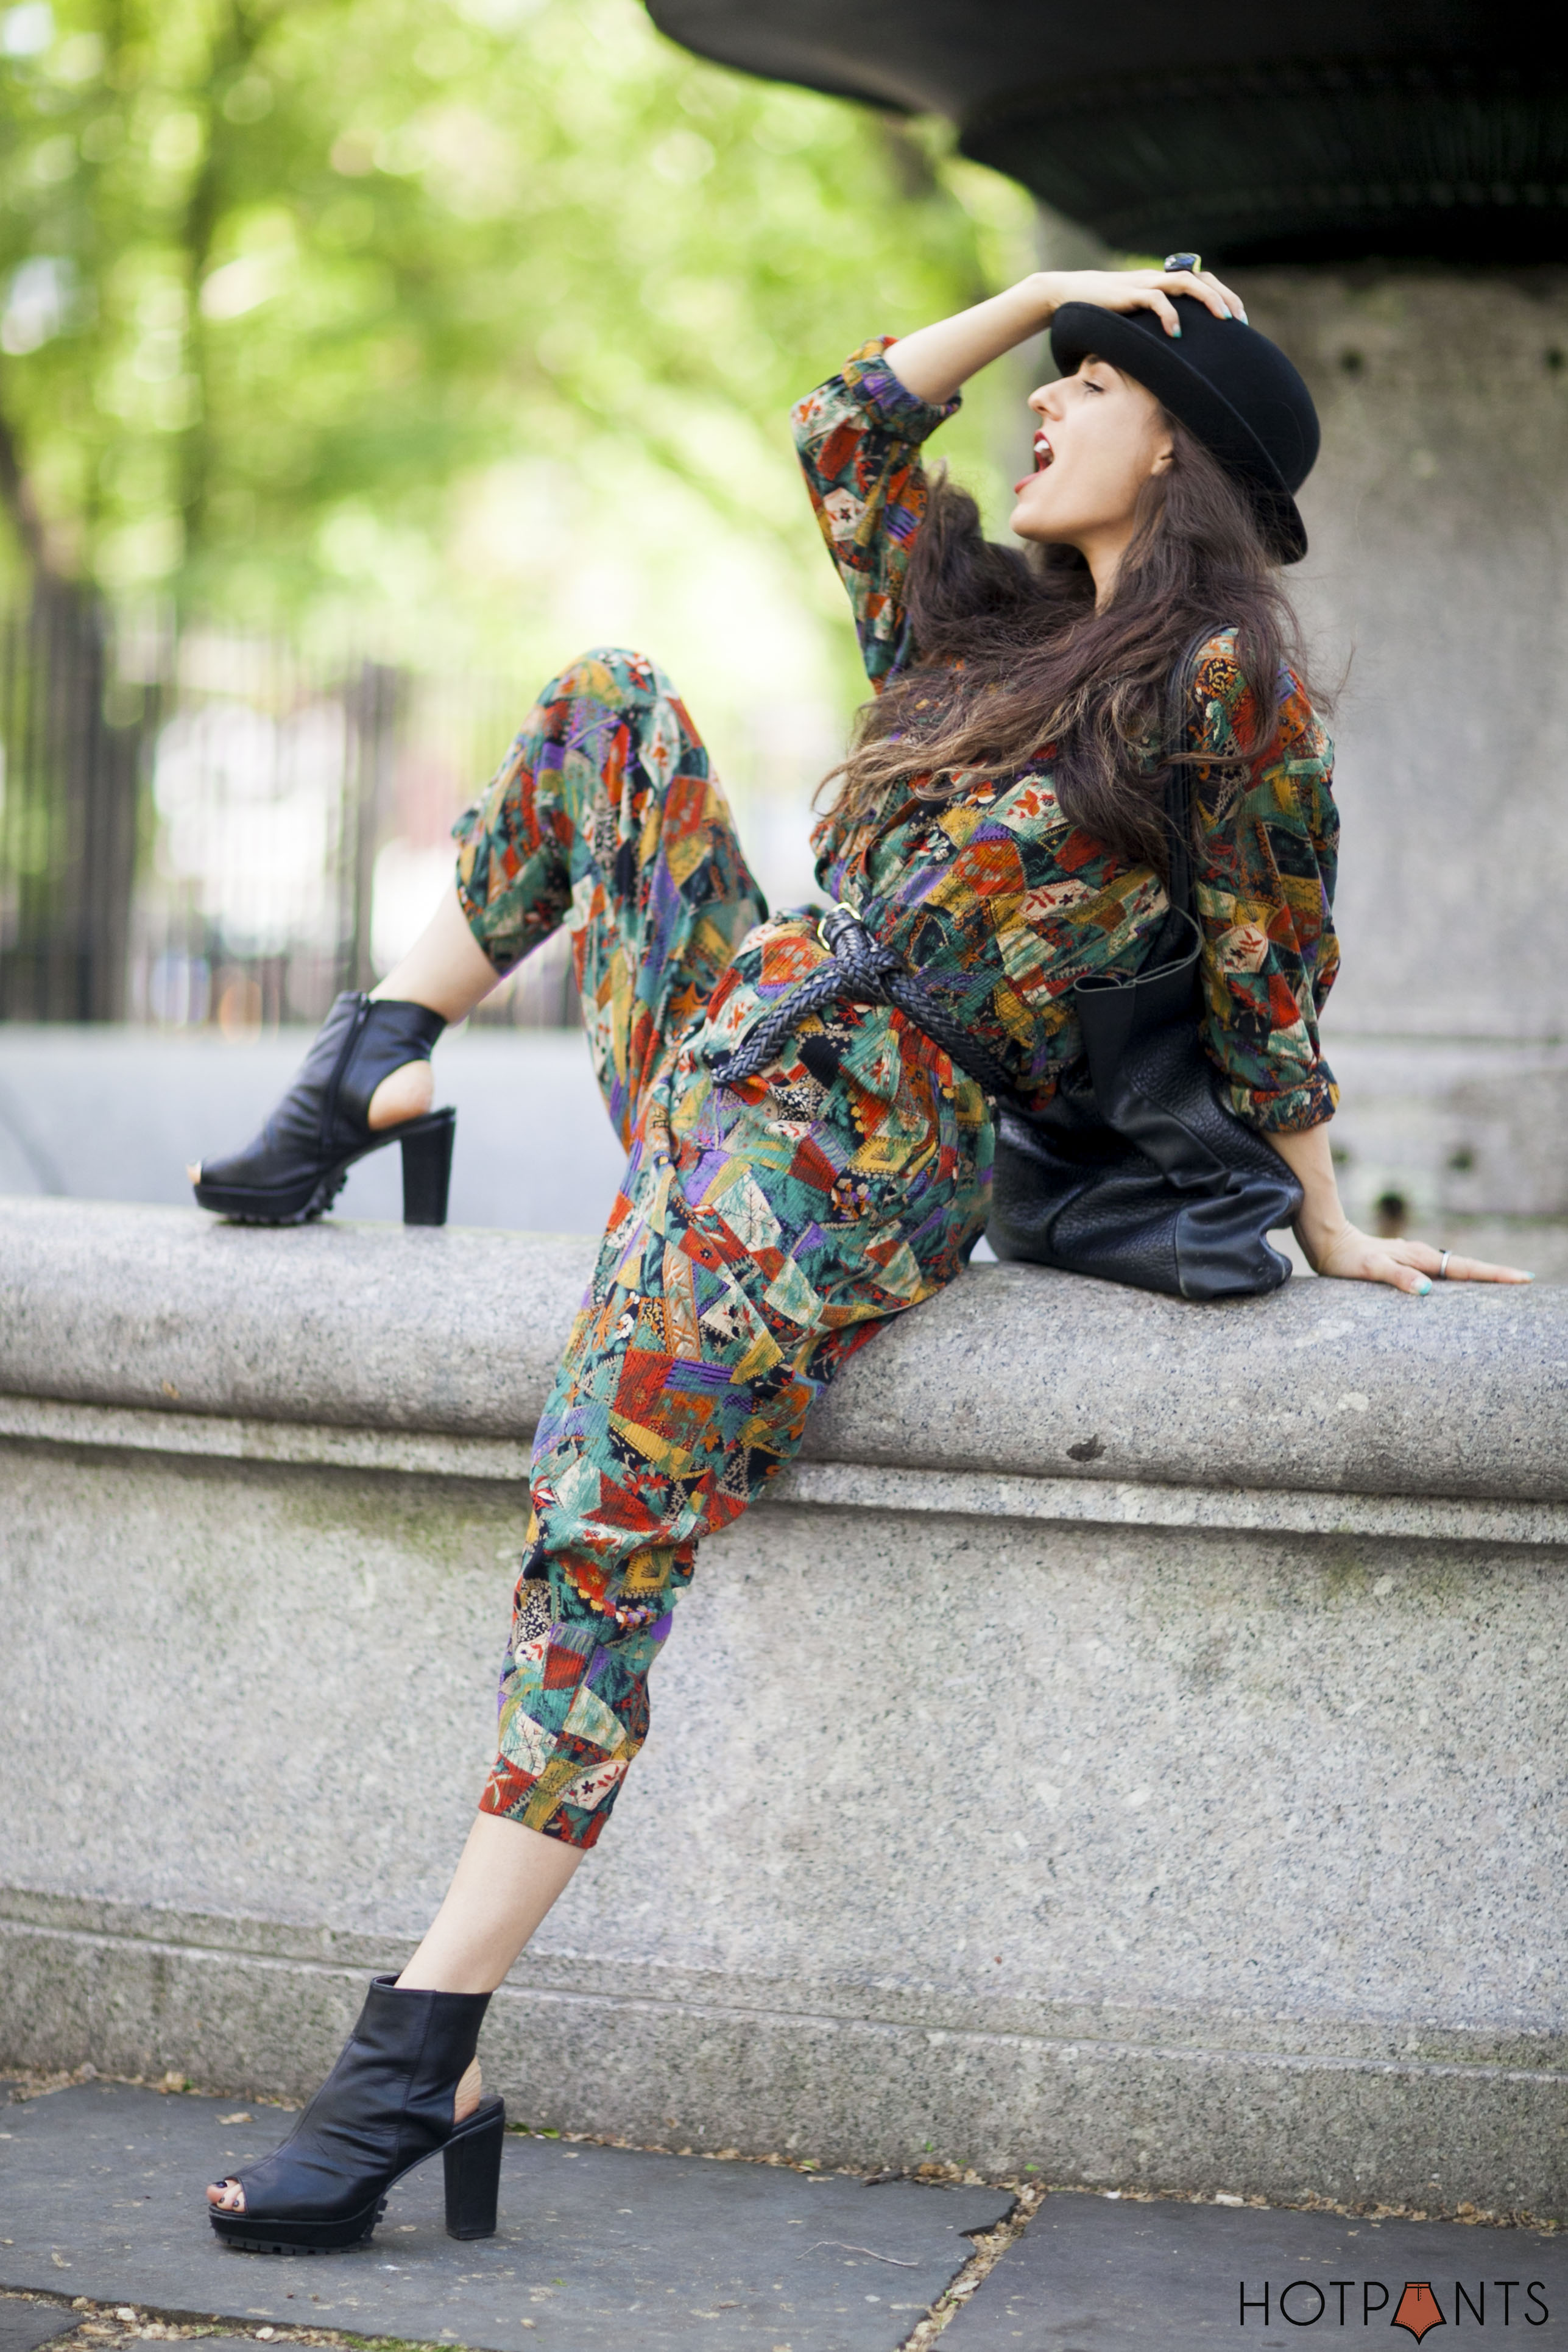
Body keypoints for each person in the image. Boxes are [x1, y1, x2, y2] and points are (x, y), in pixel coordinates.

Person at [191, 262, 1530, 2251]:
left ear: (1178, 445)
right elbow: (844, 430)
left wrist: (1327, 1214)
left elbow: (1269, 965)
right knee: (611, 708)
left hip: (866, 1133)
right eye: (1056, 379)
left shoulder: (1215, 680)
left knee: (602, 1507)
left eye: (1085, 387)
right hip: (742, 1030)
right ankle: (374, 1067)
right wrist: (1041, 291)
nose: (1043, 409)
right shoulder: (977, 631)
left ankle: (421, 2051)